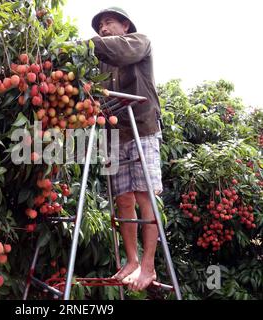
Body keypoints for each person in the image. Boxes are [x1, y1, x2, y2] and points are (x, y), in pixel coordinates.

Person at [89, 7, 163, 291]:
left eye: (108, 23)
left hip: (142, 129)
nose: (103, 29)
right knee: (122, 198)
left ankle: (148, 265)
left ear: (125, 24)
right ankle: (131, 260)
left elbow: (119, 52)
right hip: (115, 135)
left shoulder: (139, 42)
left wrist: (85, 45)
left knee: (145, 195)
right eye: (100, 27)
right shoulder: (103, 61)